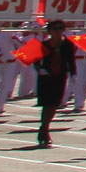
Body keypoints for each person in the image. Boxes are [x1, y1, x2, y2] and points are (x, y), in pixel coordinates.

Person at [31, 18, 73, 147]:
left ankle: (44, 127)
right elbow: (35, 62)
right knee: (46, 104)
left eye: (60, 28)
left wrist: (73, 74)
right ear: (49, 31)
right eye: (55, 29)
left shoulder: (67, 44)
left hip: (60, 77)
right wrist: (40, 70)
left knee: (54, 104)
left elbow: (70, 61)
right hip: (46, 77)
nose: (58, 31)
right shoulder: (44, 44)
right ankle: (44, 129)